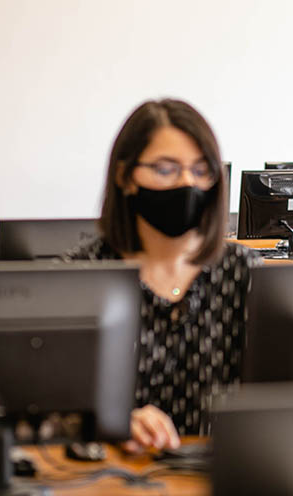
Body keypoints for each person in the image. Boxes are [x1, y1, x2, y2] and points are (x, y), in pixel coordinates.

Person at [65, 98, 258, 451]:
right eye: (166, 169)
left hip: (220, 473)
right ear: (125, 176)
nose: (188, 183)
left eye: (202, 170)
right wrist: (112, 421)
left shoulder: (244, 273)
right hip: (116, 477)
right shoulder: (79, 277)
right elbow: (48, 405)